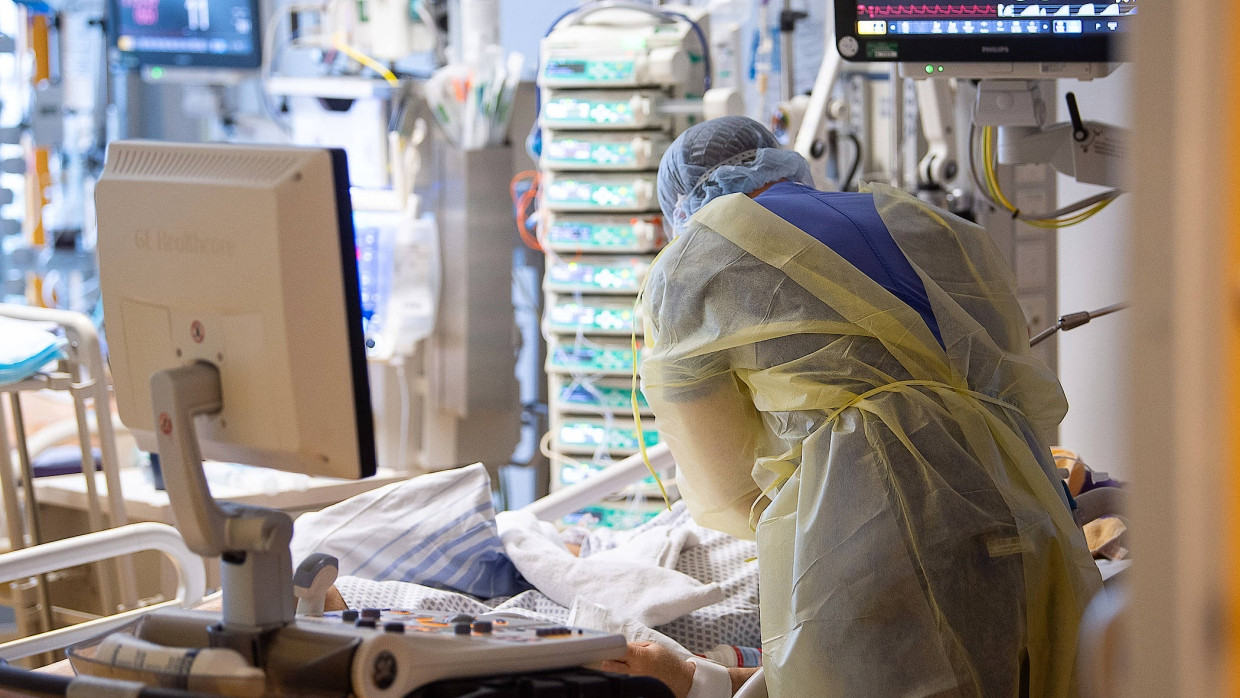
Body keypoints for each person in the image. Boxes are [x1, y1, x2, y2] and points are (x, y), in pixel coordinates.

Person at [605, 116, 1103, 697]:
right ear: (780, 160)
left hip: (868, 528)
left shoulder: (695, 262)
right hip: (1025, 508)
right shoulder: (937, 227)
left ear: (685, 206)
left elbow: (728, 486)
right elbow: (1024, 401)